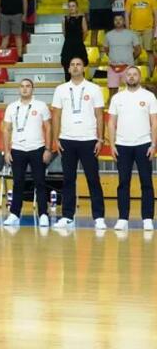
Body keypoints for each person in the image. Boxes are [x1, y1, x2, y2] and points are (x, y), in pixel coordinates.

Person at [50, 57, 106, 230]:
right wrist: (56, 138)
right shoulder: (60, 89)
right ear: (68, 69)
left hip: (88, 139)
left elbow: (99, 115)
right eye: (72, 64)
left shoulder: (94, 88)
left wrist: (100, 138)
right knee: (68, 179)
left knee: (93, 179)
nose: (75, 67)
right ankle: (67, 216)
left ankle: (98, 217)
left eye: (78, 64)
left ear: (84, 69)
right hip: (67, 139)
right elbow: (56, 116)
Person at [106, 66, 157, 231]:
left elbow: (154, 122)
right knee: (123, 183)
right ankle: (123, 218)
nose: (132, 77)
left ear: (139, 77)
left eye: (135, 74)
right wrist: (112, 144)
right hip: (122, 145)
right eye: (129, 74)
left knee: (146, 182)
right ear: (124, 78)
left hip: (144, 144)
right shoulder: (117, 98)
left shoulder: (149, 96)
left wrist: (153, 144)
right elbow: (111, 123)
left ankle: (148, 218)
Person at [1, 79, 52, 227]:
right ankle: (14, 214)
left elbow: (48, 127)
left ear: (33, 89)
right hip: (17, 149)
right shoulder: (11, 107)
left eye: (28, 86)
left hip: (37, 148)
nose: (24, 89)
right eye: (22, 86)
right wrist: (6, 151)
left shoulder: (41, 106)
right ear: (19, 89)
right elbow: (6, 129)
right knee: (17, 183)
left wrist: (48, 149)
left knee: (40, 182)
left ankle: (43, 214)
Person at [126, 0, 157, 75]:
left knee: (150, 51)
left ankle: (151, 74)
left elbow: (156, 15)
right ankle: (133, 74)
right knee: (136, 51)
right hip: (134, 30)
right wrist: (128, 30)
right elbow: (127, 15)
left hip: (148, 29)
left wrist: (155, 30)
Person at [103, 14, 141, 91]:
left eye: (120, 19)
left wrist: (130, 59)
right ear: (113, 22)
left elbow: (138, 50)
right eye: (116, 20)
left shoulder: (131, 34)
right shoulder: (108, 35)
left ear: (124, 21)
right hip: (112, 67)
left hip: (128, 67)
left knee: (130, 91)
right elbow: (106, 50)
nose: (118, 21)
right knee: (112, 92)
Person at [60, 0, 89, 83]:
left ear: (77, 7)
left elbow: (85, 32)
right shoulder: (64, 19)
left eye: (73, 6)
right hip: (68, 47)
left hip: (79, 46)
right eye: (69, 6)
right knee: (67, 70)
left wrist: (79, 41)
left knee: (80, 69)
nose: (71, 8)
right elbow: (64, 33)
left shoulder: (81, 18)